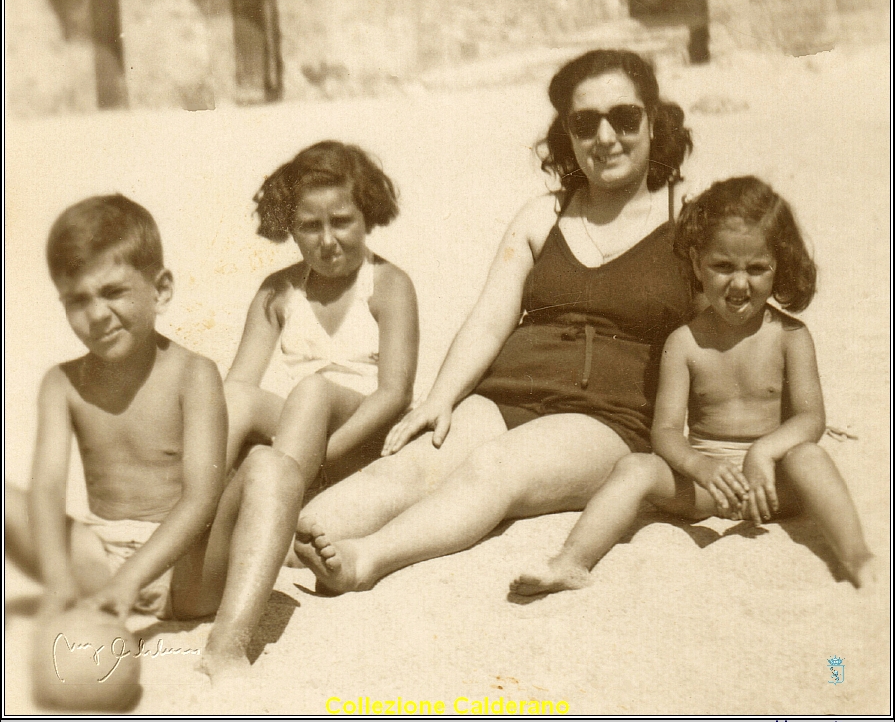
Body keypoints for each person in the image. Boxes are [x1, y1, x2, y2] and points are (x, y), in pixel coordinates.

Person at [293, 49, 694, 593]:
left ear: (653, 121)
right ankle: (284, 538)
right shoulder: (543, 214)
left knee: (495, 468)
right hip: (510, 391)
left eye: (624, 118)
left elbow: (744, 309)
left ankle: (367, 560)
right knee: (411, 466)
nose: (605, 137)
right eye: (585, 123)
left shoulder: (690, 220)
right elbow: (488, 320)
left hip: (608, 415)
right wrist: (440, 401)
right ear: (567, 136)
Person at [511, 176, 876, 596]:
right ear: (697, 262)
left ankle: (858, 559)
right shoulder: (683, 342)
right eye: (723, 266)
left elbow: (812, 418)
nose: (740, 284)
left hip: (776, 482)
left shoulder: (790, 336)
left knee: (810, 456)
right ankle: (571, 562)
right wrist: (701, 467)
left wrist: (765, 450)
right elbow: (665, 432)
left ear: (780, 266)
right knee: (636, 467)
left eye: (757, 268)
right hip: (708, 486)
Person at [202, 141, 418, 676]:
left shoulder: (388, 286)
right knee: (234, 398)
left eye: (342, 222)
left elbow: (395, 394)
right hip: (300, 434)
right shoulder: (280, 291)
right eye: (308, 226)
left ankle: (276, 509)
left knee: (315, 389)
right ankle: (192, 535)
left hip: (359, 436)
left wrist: (315, 459)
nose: (327, 242)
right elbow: (240, 385)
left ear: (368, 214)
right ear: (287, 227)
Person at [5, 195, 227, 625]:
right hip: (100, 553)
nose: (97, 315)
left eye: (113, 292)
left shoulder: (194, 373)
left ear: (160, 290)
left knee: (250, 480)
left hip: (181, 562)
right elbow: (47, 491)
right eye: (77, 300)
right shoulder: (62, 383)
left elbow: (202, 499)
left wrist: (133, 580)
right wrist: (59, 581)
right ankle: (88, 593)